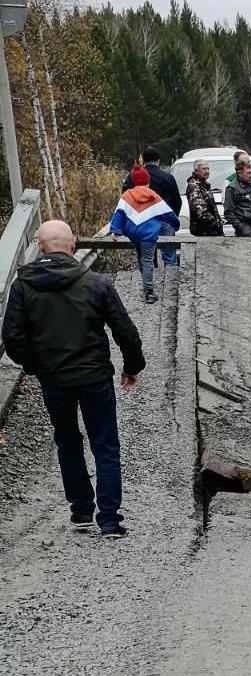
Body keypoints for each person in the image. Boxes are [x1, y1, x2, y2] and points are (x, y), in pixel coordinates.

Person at [1, 220, 144, 540]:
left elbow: (12, 338)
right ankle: (109, 520)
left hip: (55, 380)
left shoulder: (23, 286)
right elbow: (126, 332)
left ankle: (80, 510)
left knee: (67, 441)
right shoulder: (95, 283)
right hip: (95, 377)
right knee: (105, 446)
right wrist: (131, 367)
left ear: (40, 247)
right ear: (73, 246)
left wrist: (36, 366)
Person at [110, 165, 180, 304]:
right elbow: (166, 213)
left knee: (141, 257)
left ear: (134, 181)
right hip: (148, 234)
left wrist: (116, 231)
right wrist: (175, 223)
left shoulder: (127, 195)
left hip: (133, 233)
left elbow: (119, 214)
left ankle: (145, 281)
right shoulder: (153, 195)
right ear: (148, 181)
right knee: (147, 260)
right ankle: (148, 291)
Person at [122, 147, 181, 265]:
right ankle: (171, 280)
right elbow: (177, 200)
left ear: (143, 160)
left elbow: (125, 196)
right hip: (165, 219)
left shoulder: (134, 177)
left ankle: (150, 279)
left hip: (143, 219)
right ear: (158, 161)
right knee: (169, 253)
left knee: (147, 254)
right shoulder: (168, 177)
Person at [224, 159, 251, 237]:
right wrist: (242, 228)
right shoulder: (232, 188)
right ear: (239, 173)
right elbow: (228, 213)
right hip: (245, 232)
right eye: (248, 173)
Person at [185, 160, 222, 237]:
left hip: (212, 231)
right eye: (204, 169)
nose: (207, 171)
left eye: (208, 169)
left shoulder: (204, 185)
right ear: (196, 171)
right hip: (204, 232)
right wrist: (216, 223)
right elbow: (201, 212)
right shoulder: (194, 186)